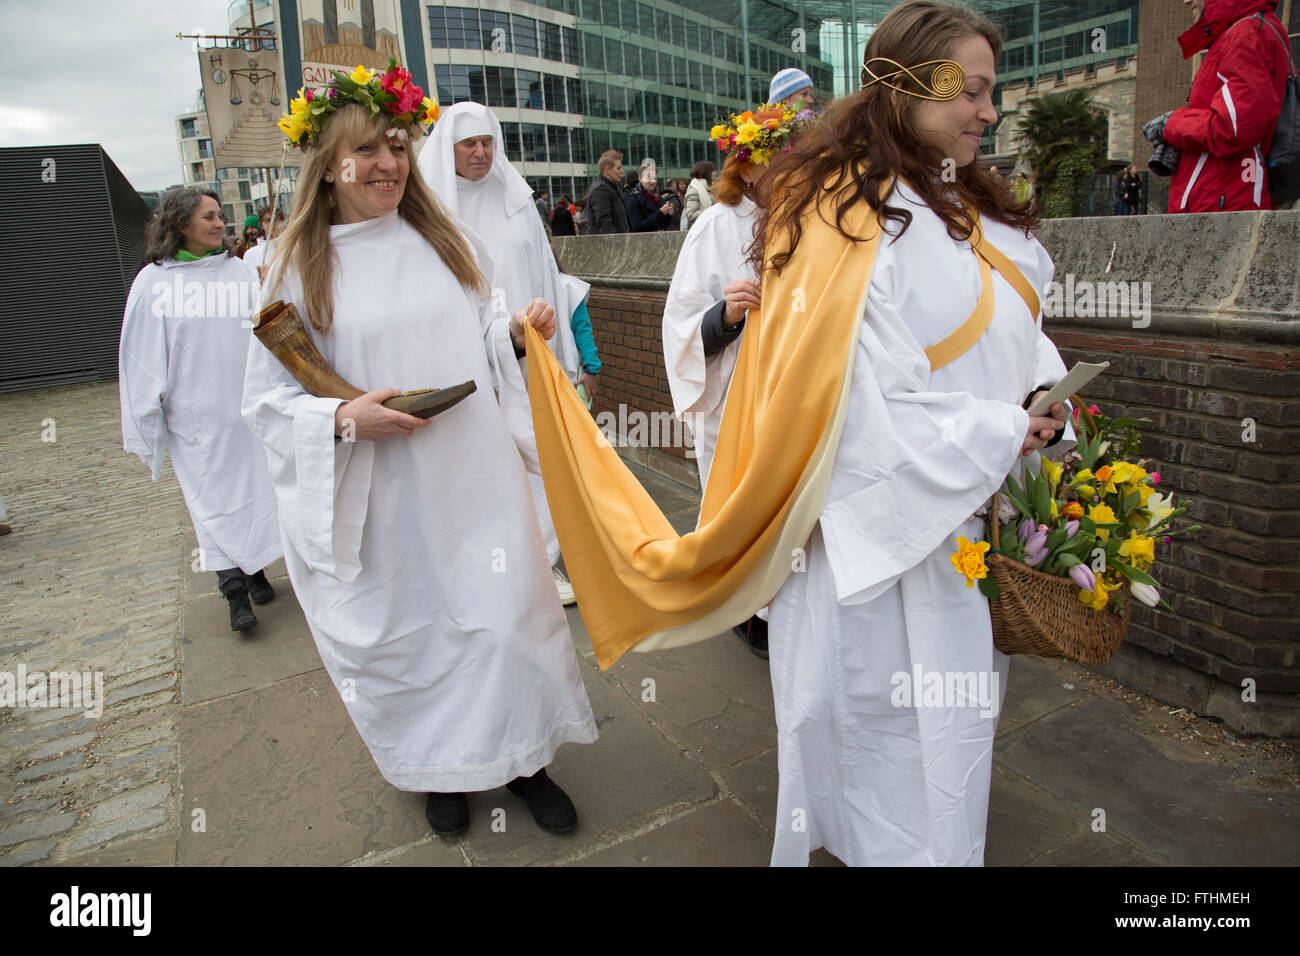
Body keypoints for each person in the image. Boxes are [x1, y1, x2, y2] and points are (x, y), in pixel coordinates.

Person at [521, 0, 1072, 867]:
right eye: (968, 91)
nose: (988, 111)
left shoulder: (974, 207)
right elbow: (856, 407)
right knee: (876, 732)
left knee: (955, 730)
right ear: (905, 88)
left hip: (966, 521)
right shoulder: (845, 217)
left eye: (990, 91)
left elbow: (1014, 319)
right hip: (874, 539)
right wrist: (1006, 428)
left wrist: (1046, 384)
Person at [246, 65, 596, 837]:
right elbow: (266, 404)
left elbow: (484, 334)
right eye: (366, 148)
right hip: (382, 488)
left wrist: (514, 335)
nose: (387, 163)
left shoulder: (446, 241)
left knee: (505, 616)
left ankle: (528, 757)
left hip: (472, 472)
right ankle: (441, 769)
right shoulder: (297, 267)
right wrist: (344, 420)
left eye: (398, 145)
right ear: (328, 162)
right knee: (416, 629)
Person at [417, 101, 596, 606]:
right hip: (470, 355)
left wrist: (565, 356)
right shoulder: (433, 210)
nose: (480, 153)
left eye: (487, 142)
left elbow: (547, 276)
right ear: (447, 149)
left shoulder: (519, 205)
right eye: (468, 144)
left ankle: (544, 561)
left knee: (536, 455)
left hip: (527, 348)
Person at [662, 104, 816, 660]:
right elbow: (679, 321)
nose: (789, 171)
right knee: (737, 508)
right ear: (746, 167)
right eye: (777, 160)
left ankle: (790, 607)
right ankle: (749, 611)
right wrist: (723, 318)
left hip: (793, 393)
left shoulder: (814, 219)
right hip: (732, 397)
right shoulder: (715, 226)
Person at [119, 186, 282, 632]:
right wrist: (146, 419)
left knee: (252, 495)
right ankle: (234, 594)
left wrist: (270, 286)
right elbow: (139, 356)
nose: (219, 224)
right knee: (210, 502)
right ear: (180, 224)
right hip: (196, 423)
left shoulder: (239, 273)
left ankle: (257, 570)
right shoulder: (154, 284)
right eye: (208, 217)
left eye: (219, 216)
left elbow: (267, 327)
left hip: (246, 414)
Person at [1147, 0, 1291, 213]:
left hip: (1222, 204)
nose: (1187, 1)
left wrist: (1171, 124)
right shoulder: (1249, 30)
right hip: (1224, 199)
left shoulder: (1244, 34)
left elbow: (1234, 127)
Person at [586, 150, 630, 233]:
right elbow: (604, 223)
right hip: (611, 244)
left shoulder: (612, 188)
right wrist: (616, 244)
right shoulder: (600, 191)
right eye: (618, 168)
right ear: (607, 170)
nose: (622, 171)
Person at [627, 158, 674, 231]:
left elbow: (663, 226)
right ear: (640, 178)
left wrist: (669, 215)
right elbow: (636, 227)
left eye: (654, 178)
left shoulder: (659, 198)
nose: (651, 182)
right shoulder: (633, 199)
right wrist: (660, 213)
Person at [683, 161, 716, 229]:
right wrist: (711, 211)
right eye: (713, 171)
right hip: (700, 230)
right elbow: (691, 215)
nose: (715, 173)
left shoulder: (713, 188)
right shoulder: (694, 189)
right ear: (706, 172)